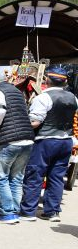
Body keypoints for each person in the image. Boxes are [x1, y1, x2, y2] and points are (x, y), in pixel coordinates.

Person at [20, 67, 78, 222]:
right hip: (66, 141)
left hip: (45, 141)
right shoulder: (74, 98)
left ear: (47, 80)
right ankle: (52, 212)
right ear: (65, 81)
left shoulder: (43, 98)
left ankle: (28, 211)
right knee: (57, 177)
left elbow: (35, 122)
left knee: (35, 175)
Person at [0, 66, 34, 224]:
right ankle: (13, 212)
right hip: (27, 139)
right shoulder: (17, 91)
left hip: (7, 141)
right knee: (16, 178)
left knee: (1, 177)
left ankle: (6, 214)